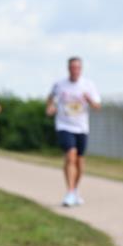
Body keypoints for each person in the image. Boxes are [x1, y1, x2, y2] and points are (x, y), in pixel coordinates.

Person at [46, 57, 101, 207]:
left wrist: (89, 100)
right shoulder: (60, 85)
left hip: (81, 127)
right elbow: (50, 98)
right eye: (72, 67)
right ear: (68, 68)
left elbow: (97, 106)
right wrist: (50, 107)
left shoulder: (88, 85)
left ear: (81, 69)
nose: (75, 70)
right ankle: (70, 192)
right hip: (64, 125)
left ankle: (75, 190)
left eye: (77, 67)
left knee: (79, 161)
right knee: (71, 155)